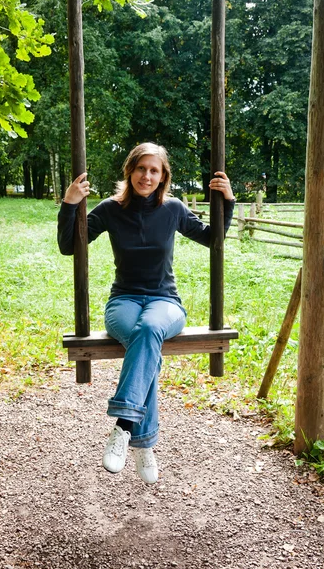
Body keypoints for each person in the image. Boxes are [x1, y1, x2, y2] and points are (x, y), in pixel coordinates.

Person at [58, 142, 235, 485]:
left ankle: (124, 427)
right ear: (129, 171)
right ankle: (144, 443)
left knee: (150, 329)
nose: (147, 176)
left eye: (155, 170)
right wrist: (69, 204)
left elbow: (214, 238)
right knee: (145, 339)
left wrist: (227, 201)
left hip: (165, 302)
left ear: (163, 176)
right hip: (123, 301)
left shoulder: (173, 209)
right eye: (141, 168)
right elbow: (70, 247)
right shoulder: (110, 209)